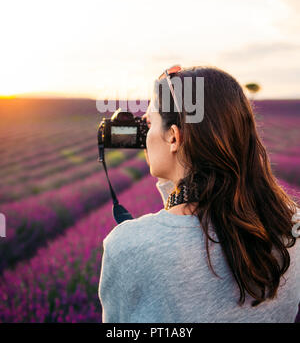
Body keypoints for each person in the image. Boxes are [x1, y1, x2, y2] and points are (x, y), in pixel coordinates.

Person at [98, 65, 300, 323]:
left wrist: (172, 172)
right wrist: (176, 171)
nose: (144, 135)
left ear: (173, 137)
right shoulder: (291, 226)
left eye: (149, 123)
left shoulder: (129, 246)